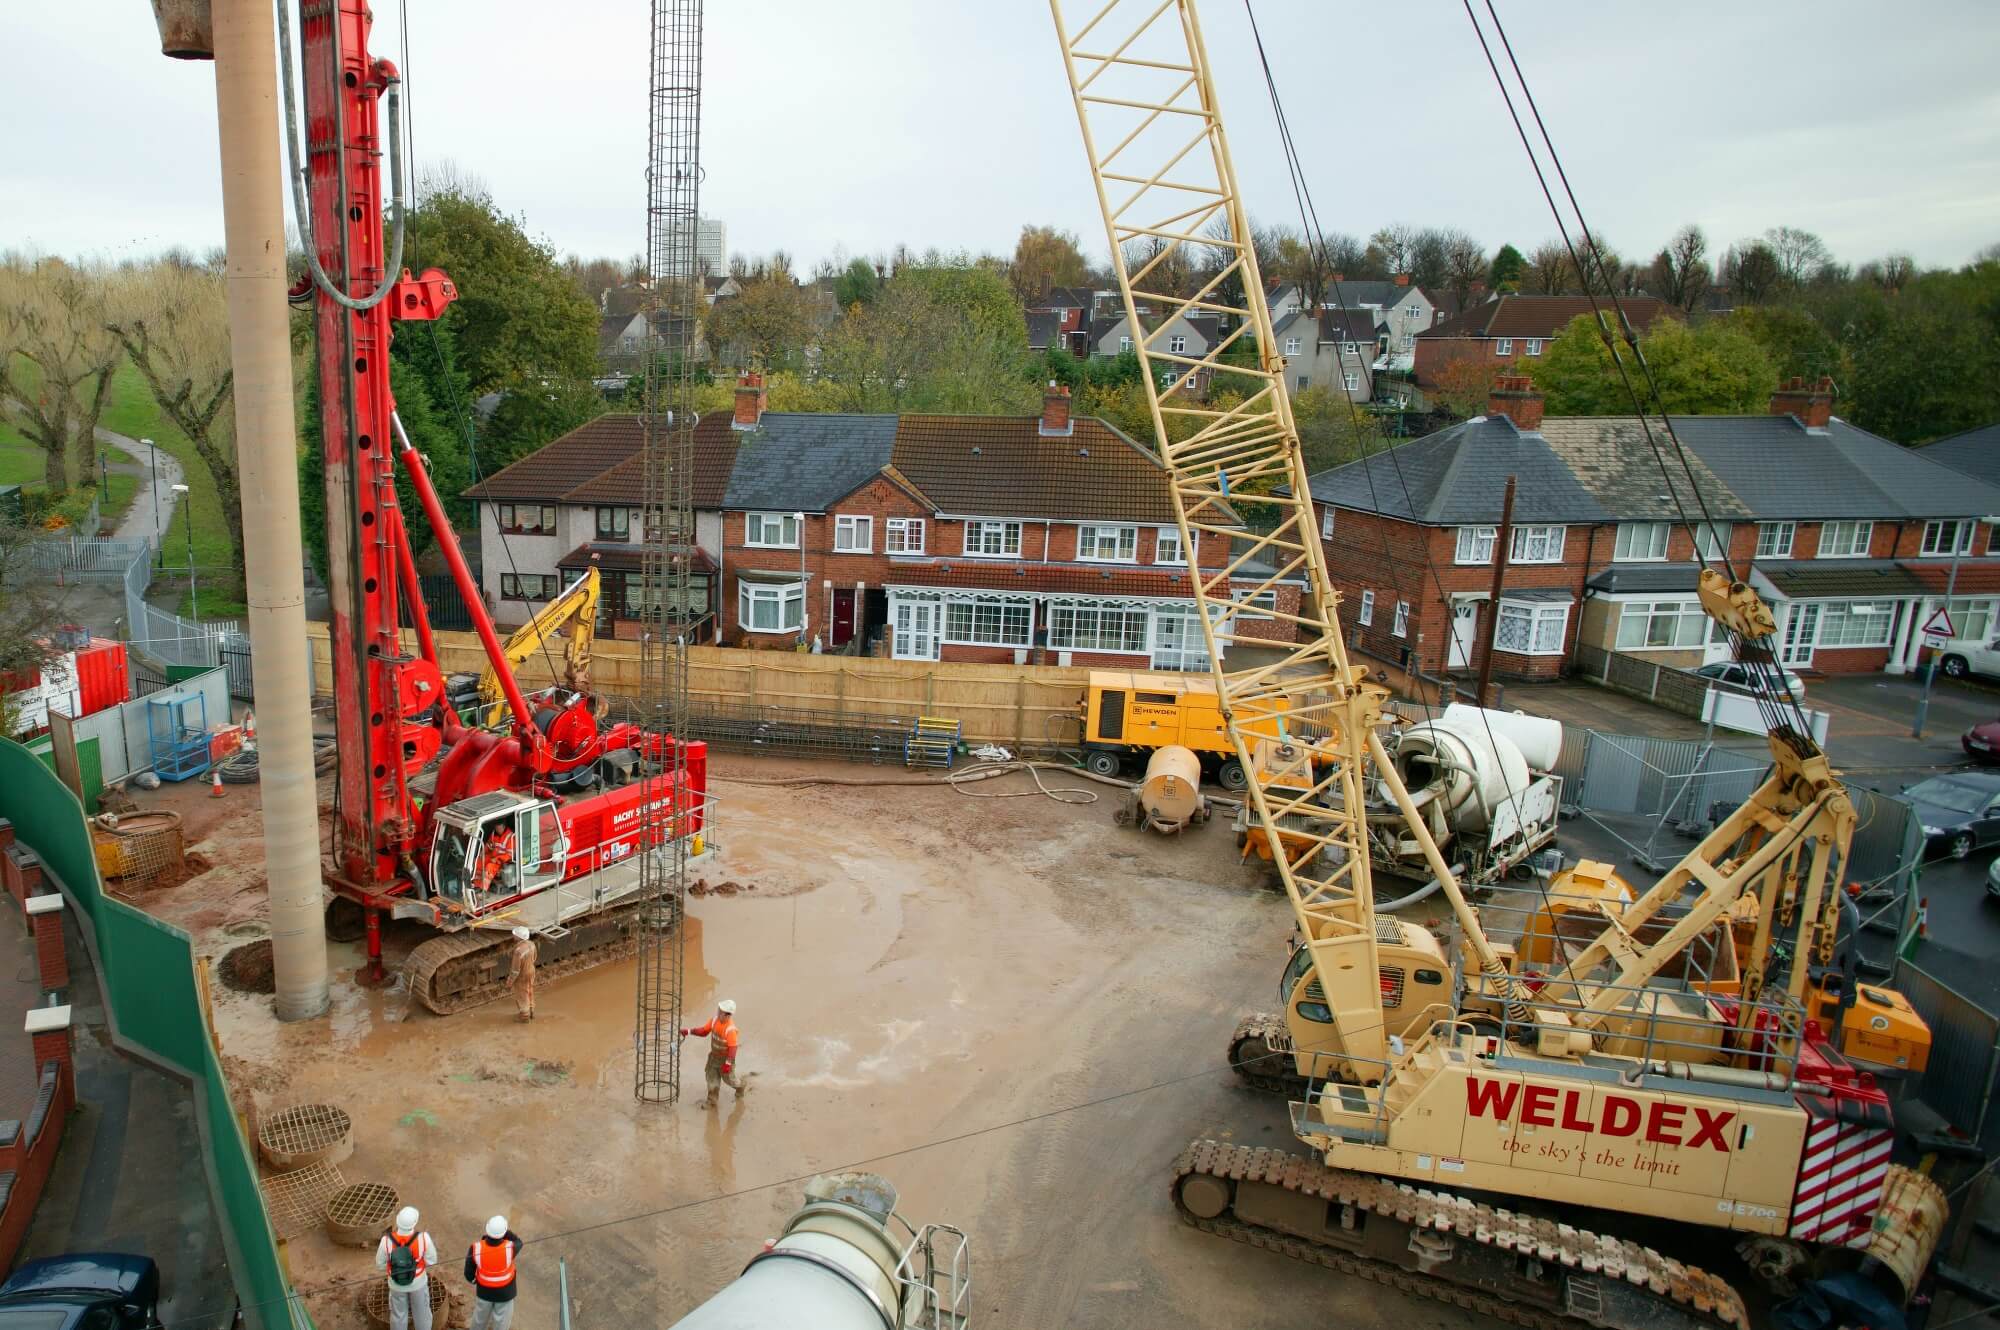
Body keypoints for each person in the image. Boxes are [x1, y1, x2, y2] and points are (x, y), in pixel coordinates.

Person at [375, 1206, 440, 1330]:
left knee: (398, 1314)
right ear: (415, 1222)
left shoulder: (386, 1240)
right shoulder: (423, 1238)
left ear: (397, 1220)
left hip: (395, 1283)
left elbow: (380, 1264)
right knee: (422, 1312)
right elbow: (432, 1261)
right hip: (418, 1282)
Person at [681, 999, 748, 1109]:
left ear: (728, 1015)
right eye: (719, 1010)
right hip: (713, 1057)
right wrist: (688, 1031)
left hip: (726, 1059)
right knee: (711, 1079)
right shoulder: (714, 1021)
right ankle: (712, 1101)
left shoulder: (730, 1030)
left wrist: (728, 1063)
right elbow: (703, 1031)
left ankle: (741, 1086)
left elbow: (733, 1048)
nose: (718, 1013)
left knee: (730, 1080)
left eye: (721, 1012)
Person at [464, 1214, 522, 1330]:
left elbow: (468, 1272)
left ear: (487, 1230)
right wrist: (505, 1232)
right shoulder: (510, 1248)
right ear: (504, 1233)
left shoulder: (476, 1248)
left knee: (479, 1320)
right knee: (501, 1324)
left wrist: (474, 1280)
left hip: (484, 1291)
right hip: (505, 1293)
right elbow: (518, 1241)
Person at [505, 926, 537, 1022]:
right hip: (531, 970)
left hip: (522, 975)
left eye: (515, 934)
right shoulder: (532, 944)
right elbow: (535, 958)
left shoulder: (518, 951)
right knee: (529, 990)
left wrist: (509, 982)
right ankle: (531, 1011)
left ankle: (524, 1016)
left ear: (519, 937)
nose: (513, 935)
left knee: (522, 994)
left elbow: (515, 971)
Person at [475, 822, 517, 893]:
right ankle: (477, 885)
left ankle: (483, 890)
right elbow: (489, 845)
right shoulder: (494, 834)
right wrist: (483, 851)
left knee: (489, 867)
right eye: (496, 828)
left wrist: (497, 858)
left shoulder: (510, 837)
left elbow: (510, 855)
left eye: (499, 828)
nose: (497, 830)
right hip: (493, 857)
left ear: (504, 826)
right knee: (478, 862)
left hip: (502, 861)